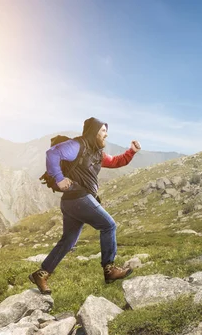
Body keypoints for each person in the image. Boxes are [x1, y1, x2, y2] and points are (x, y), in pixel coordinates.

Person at [29, 117, 140, 294]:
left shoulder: (97, 153)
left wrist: (131, 152)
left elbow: (115, 161)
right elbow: (52, 154)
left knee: (68, 241)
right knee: (108, 225)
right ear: (94, 132)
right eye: (103, 131)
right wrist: (59, 179)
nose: (106, 134)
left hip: (72, 203)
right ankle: (109, 270)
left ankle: (41, 274)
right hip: (78, 198)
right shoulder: (77, 145)